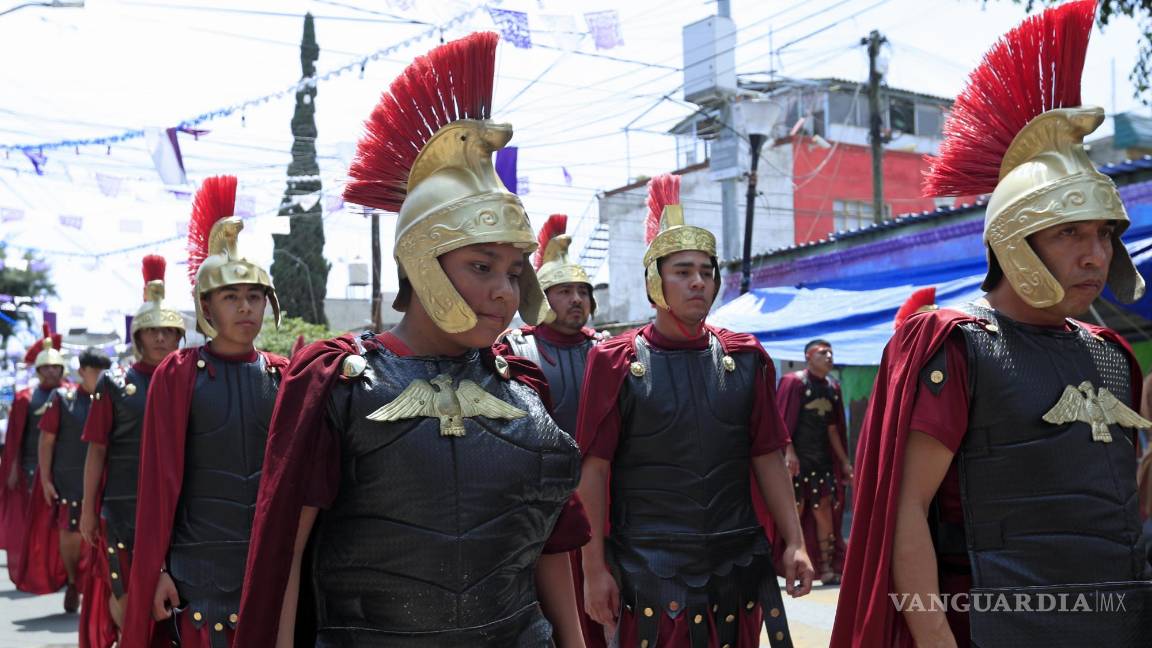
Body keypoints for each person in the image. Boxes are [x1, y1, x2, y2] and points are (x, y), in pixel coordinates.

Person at [234, 32, 590, 647]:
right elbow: (284, 559)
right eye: (481, 267)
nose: (505, 292)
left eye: (513, 270)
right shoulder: (338, 382)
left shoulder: (526, 385)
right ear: (423, 261)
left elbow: (550, 547)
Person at [831, 2, 1152, 646]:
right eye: (1070, 234)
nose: (1096, 255)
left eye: (1102, 235)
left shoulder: (1113, 354)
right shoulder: (956, 344)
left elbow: (1121, 515)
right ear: (1015, 241)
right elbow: (904, 512)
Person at [576, 173, 812, 648]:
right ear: (655, 281)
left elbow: (767, 455)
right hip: (649, 569)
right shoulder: (614, 361)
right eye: (683, 271)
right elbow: (594, 471)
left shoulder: (746, 358)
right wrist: (593, 567)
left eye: (706, 271)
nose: (698, 282)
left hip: (738, 563)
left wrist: (796, 542)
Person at [120, 175, 287, 648]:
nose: (245, 307)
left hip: (268, 565)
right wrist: (156, 569)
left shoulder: (285, 376)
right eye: (231, 297)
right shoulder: (178, 374)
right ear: (207, 306)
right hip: (196, 572)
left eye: (254, 296)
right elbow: (157, 483)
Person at [494, 213, 607, 646]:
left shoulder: (610, 353)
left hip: (606, 510)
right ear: (542, 296)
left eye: (583, 291)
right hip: (540, 511)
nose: (576, 299)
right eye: (563, 291)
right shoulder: (512, 349)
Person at [78, 254, 184, 645]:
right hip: (123, 511)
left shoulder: (191, 381)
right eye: (152, 330)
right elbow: (97, 451)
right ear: (138, 336)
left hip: (180, 512)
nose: (160, 338)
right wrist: (89, 510)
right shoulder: (115, 384)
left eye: (168, 331)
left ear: (178, 336)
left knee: (175, 611)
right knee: (126, 602)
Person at [35, 347, 110, 612]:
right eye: (95, 371)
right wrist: (45, 479)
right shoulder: (63, 399)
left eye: (104, 370)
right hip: (69, 479)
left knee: (104, 537)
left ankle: (96, 588)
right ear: (81, 372)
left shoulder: (114, 397)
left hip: (106, 481)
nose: (101, 376)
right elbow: (46, 441)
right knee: (70, 533)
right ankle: (71, 581)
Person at [0, 326, 67, 594]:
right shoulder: (25, 398)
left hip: (63, 469)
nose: (51, 372)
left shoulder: (72, 394)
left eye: (55, 367)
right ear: (38, 371)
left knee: (62, 523)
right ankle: (37, 566)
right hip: (30, 469)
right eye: (46, 368)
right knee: (35, 523)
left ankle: (63, 570)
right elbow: (16, 439)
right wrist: (13, 470)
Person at [779, 339, 851, 585]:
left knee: (824, 514)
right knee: (794, 514)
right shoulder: (794, 382)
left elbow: (833, 430)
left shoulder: (833, 386)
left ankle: (827, 567)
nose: (829, 356)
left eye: (831, 351)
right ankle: (795, 567)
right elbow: (782, 421)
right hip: (797, 463)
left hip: (822, 463)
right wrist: (789, 453)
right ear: (809, 356)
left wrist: (844, 462)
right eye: (823, 352)